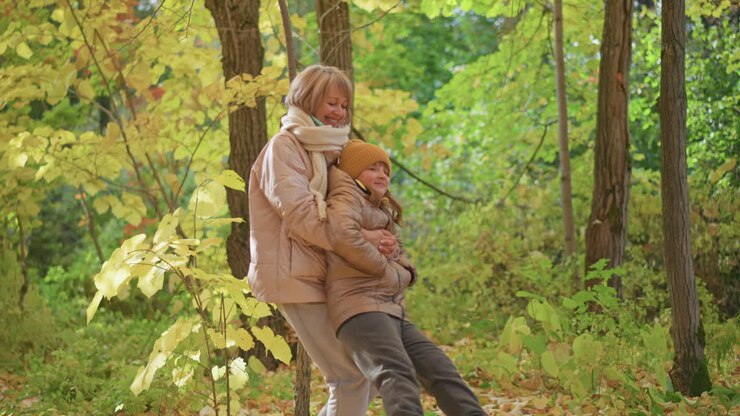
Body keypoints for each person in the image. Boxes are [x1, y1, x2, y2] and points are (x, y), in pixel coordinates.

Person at [247, 65, 397, 416]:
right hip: (294, 276)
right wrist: (362, 237)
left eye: (344, 106)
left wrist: (379, 234)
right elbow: (301, 215)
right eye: (331, 103)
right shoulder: (283, 148)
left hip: (326, 273)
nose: (339, 113)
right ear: (308, 99)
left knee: (366, 376)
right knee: (352, 377)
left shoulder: (330, 149)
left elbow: (348, 206)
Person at [325, 139, 487, 416]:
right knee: (397, 374)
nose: (382, 175)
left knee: (441, 370)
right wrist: (388, 266)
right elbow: (343, 235)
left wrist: (400, 265)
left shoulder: (379, 210)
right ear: (353, 174)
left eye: (385, 170)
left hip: (390, 308)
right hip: (359, 308)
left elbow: (398, 255)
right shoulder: (345, 197)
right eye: (372, 169)